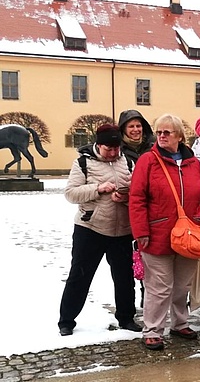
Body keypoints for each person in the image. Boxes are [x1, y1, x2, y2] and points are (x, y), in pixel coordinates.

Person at [129, 114, 200, 351]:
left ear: (180, 136)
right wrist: (141, 231)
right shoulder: (148, 161)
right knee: (159, 286)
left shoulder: (193, 163)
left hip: (190, 235)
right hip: (157, 233)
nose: (162, 136)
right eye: (159, 132)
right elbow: (137, 198)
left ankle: (180, 323)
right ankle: (152, 329)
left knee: (182, 285)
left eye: (167, 132)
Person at [58, 124, 140, 336]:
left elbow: (138, 194)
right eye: (108, 148)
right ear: (98, 144)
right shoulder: (83, 162)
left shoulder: (128, 162)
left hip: (122, 230)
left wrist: (126, 198)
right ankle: (66, 320)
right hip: (90, 228)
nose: (113, 153)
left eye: (116, 148)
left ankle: (126, 317)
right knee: (80, 276)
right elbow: (71, 193)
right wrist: (98, 189)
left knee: (124, 277)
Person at [118, 108, 155, 308]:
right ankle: (130, 303)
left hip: (153, 210)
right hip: (126, 213)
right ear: (123, 129)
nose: (135, 130)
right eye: (131, 126)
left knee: (150, 258)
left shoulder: (153, 147)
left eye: (138, 125)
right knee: (131, 260)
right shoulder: (119, 151)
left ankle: (147, 295)